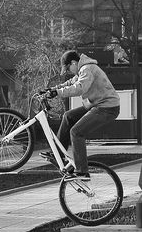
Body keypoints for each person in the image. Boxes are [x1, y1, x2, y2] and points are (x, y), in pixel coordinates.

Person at [40, 50, 120, 183]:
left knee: (76, 132)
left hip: (107, 108)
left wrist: (57, 93)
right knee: (68, 116)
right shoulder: (82, 69)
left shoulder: (87, 69)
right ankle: (58, 154)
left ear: (73, 62)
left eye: (68, 68)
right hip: (97, 104)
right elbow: (71, 82)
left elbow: (79, 88)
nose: (69, 71)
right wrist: (52, 89)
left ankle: (82, 171)